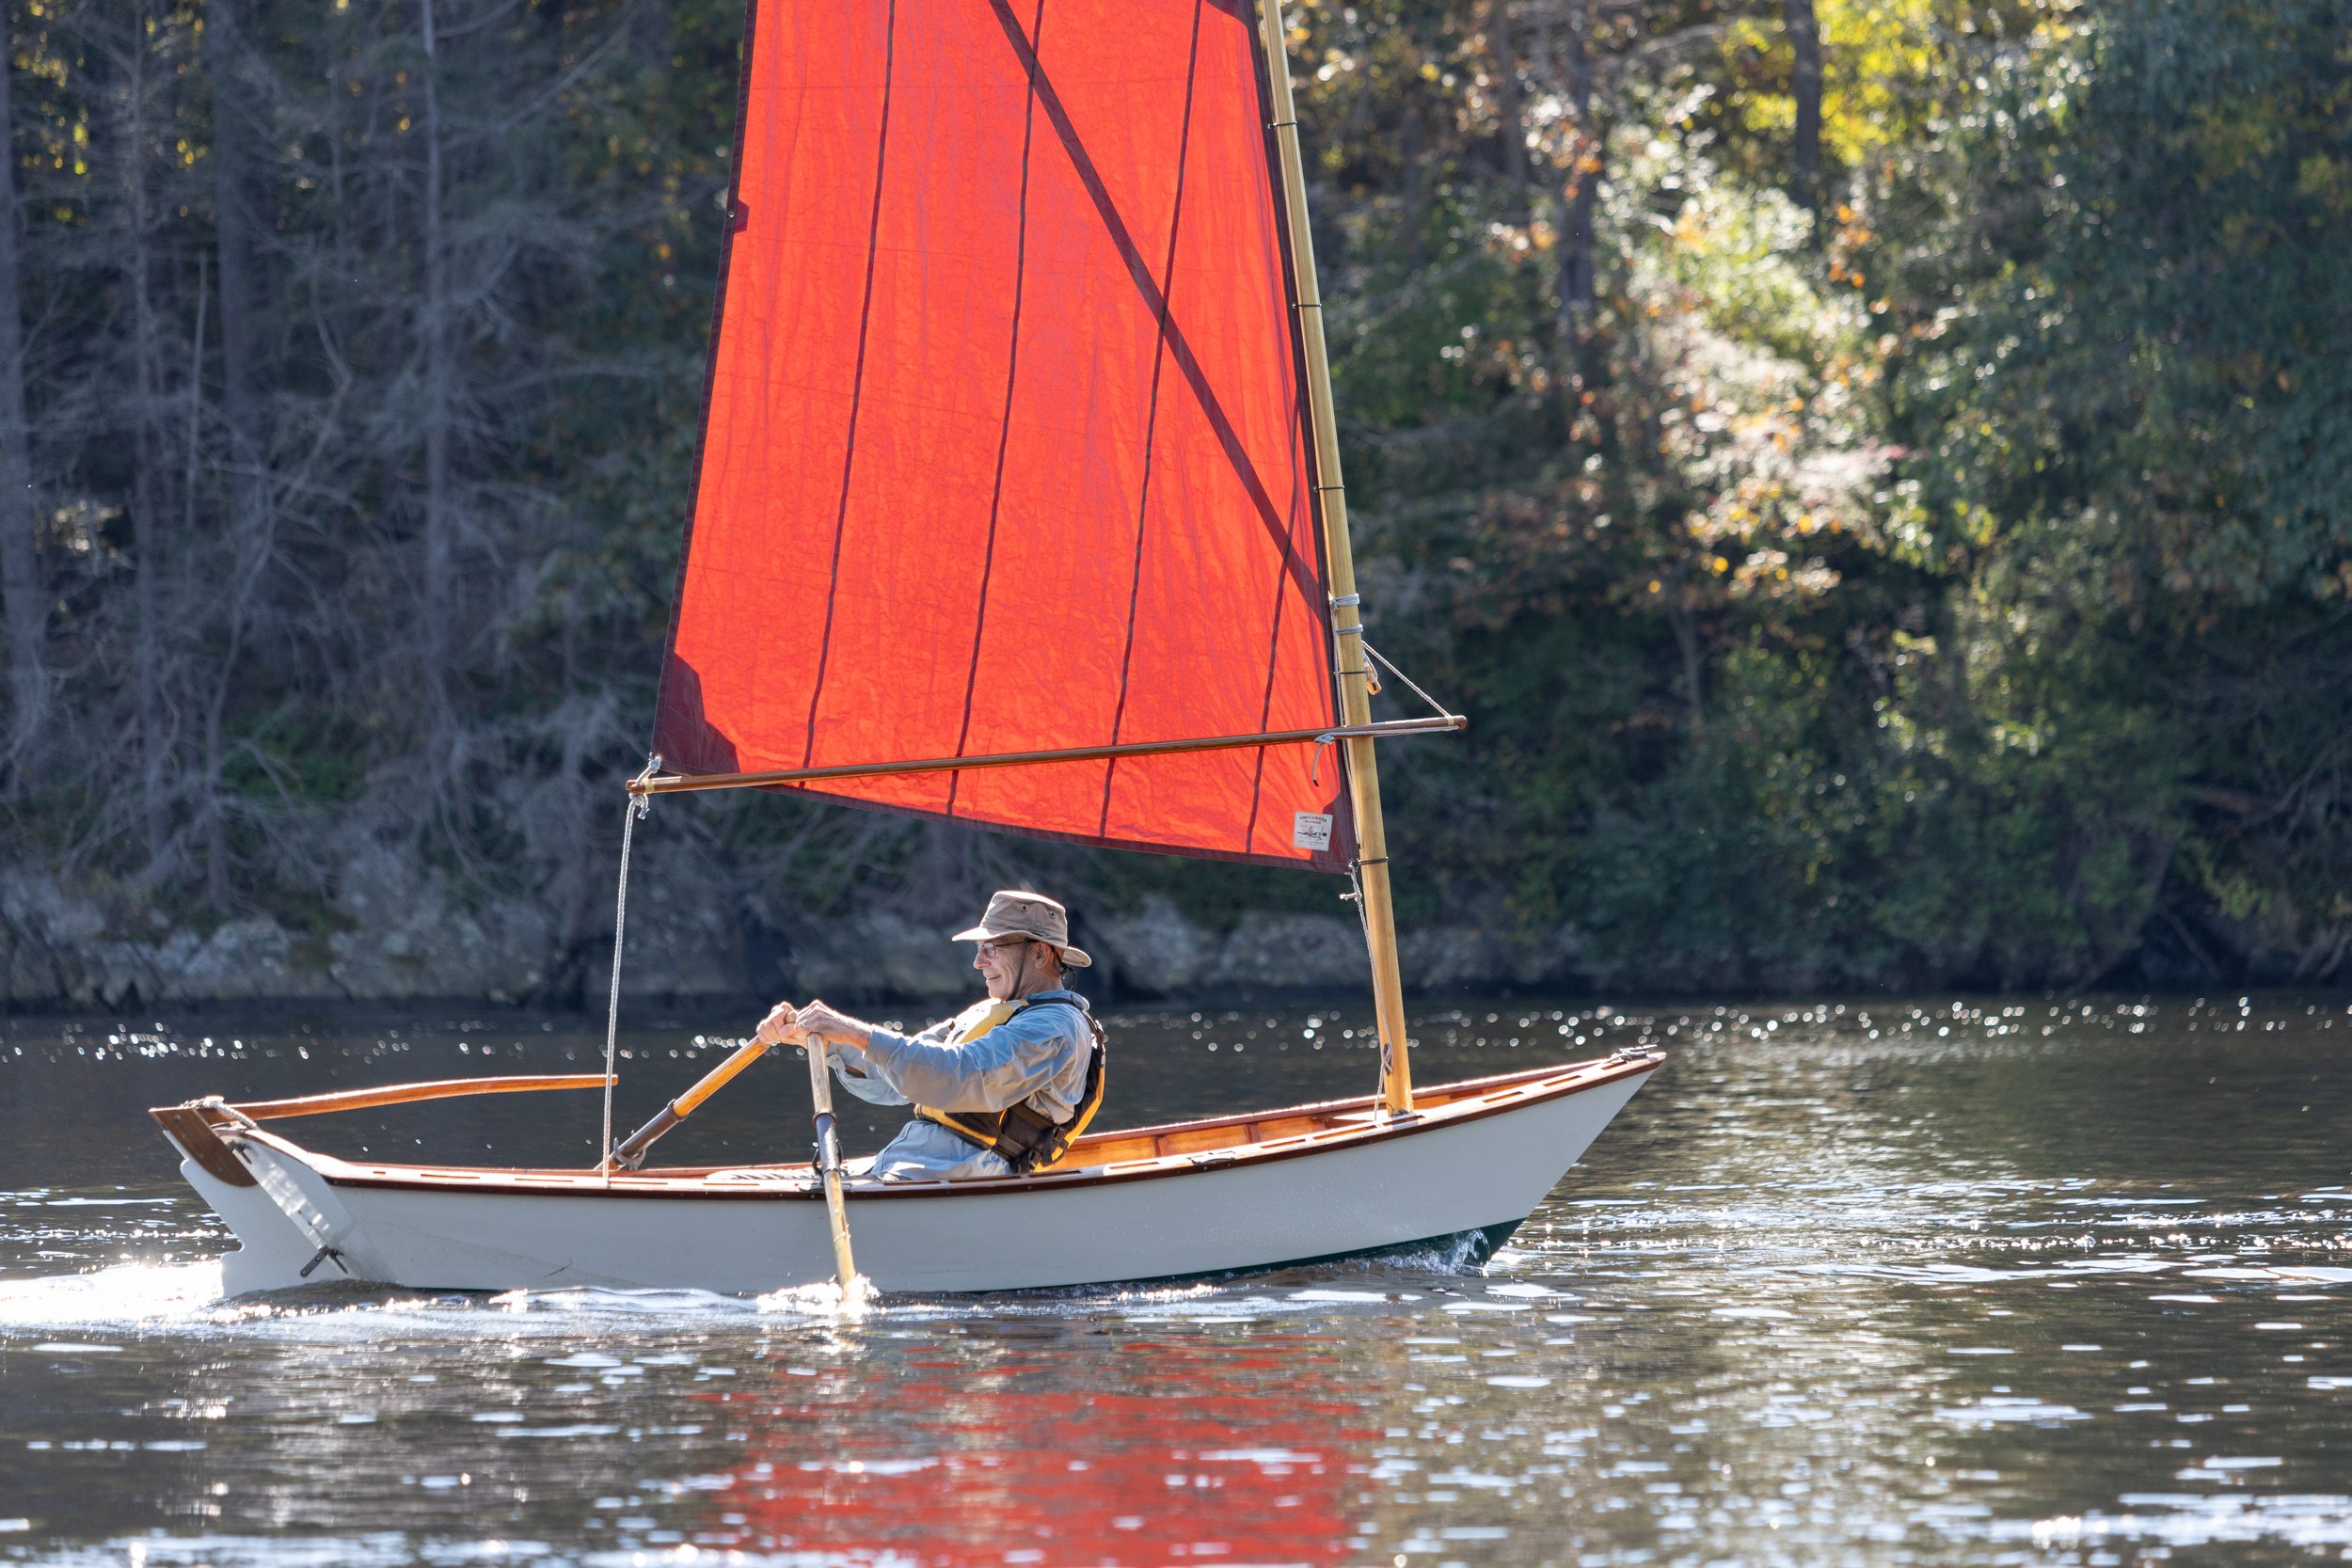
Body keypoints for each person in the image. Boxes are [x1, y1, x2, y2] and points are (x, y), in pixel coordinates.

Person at [755, 891, 1107, 1181]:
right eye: (978, 949)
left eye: (992, 948)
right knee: (752, 1180)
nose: (978, 963)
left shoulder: (1054, 1027)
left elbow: (962, 1074)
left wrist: (852, 1030)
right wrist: (826, 1042)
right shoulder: (996, 1013)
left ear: (1040, 953)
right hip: (917, 1165)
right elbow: (895, 1075)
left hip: (960, 1172)